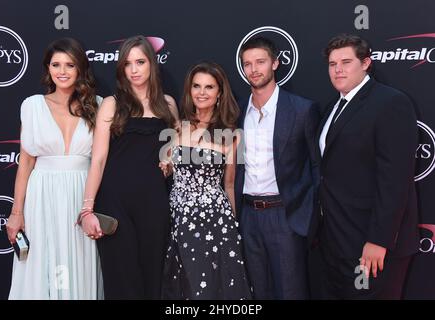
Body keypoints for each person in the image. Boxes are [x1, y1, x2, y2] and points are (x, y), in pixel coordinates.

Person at [310, 34, 419, 299]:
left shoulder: (390, 102)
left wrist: (379, 240)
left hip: (373, 245)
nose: (338, 69)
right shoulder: (332, 108)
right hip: (336, 242)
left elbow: (394, 180)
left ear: (366, 63)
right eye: (332, 64)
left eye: (346, 62)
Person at [80, 35, 179, 299]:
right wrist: (87, 208)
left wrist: (169, 161)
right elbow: (98, 159)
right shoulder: (112, 104)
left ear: (152, 64)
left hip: (154, 201)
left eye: (140, 62)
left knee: (154, 276)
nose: (134, 70)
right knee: (121, 279)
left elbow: (176, 147)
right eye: (127, 64)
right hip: (115, 202)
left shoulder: (168, 104)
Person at [5, 38, 102, 299]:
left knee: (79, 262)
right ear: (48, 68)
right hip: (42, 194)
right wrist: (16, 213)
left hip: (83, 195)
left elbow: (102, 160)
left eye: (69, 65)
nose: (62, 71)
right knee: (43, 263)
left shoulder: (99, 106)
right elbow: (25, 162)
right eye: (56, 64)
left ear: (80, 68)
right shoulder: (33, 106)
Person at [235, 37, 320, 299]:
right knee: (257, 292)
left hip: (286, 214)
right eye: (247, 64)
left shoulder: (302, 110)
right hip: (248, 216)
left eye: (260, 62)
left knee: (291, 292)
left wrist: (308, 216)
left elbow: (317, 166)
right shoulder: (236, 113)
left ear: (275, 62)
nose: (254, 69)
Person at [161, 61, 252, 299]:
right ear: (189, 90)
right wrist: (166, 166)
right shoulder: (177, 128)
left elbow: (229, 184)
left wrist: (232, 226)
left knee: (212, 285)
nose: (202, 92)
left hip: (214, 219)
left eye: (209, 87)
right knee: (184, 283)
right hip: (178, 216)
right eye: (197, 86)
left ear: (219, 93)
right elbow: (167, 168)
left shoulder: (233, 135)